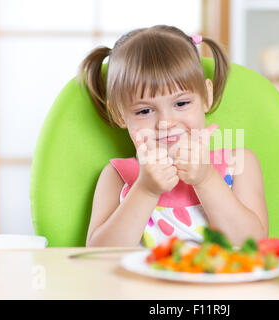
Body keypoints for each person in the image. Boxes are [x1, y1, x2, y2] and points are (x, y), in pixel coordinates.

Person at [78, 25, 268, 248]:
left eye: (181, 103)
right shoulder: (118, 176)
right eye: (144, 111)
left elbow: (253, 245)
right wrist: (146, 190)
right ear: (119, 114)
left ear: (206, 96)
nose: (166, 123)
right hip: (139, 284)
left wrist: (206, 178)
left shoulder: (237, 164)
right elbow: (99, 256)